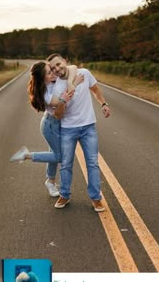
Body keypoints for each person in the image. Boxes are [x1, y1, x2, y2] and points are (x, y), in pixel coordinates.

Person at [47, 53, 111, 212]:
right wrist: (64, 100)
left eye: (58, 64)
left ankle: (96, 199)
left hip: (89, 127)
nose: (57, 69)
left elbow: (95, 90)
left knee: (93, 164)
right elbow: (58, 114)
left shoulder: (85, 73)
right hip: (68, 129)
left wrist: (103, 103)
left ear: (64, 61)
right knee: (66, 164)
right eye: (53, 68)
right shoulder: (57, 87)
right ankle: (65, 195)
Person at [10, 61, 84, 197]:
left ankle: (50, 182)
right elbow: (60, 101)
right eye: (49, 73)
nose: (53, 73)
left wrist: (69, 82)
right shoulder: (45, 93)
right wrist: (75, 83)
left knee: (54, 154)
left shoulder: (54, 82)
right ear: (42, 78)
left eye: (51, 70)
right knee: (59, 156)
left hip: (57, 123)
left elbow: (73, 67)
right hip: (50, 125)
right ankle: (26, 155)